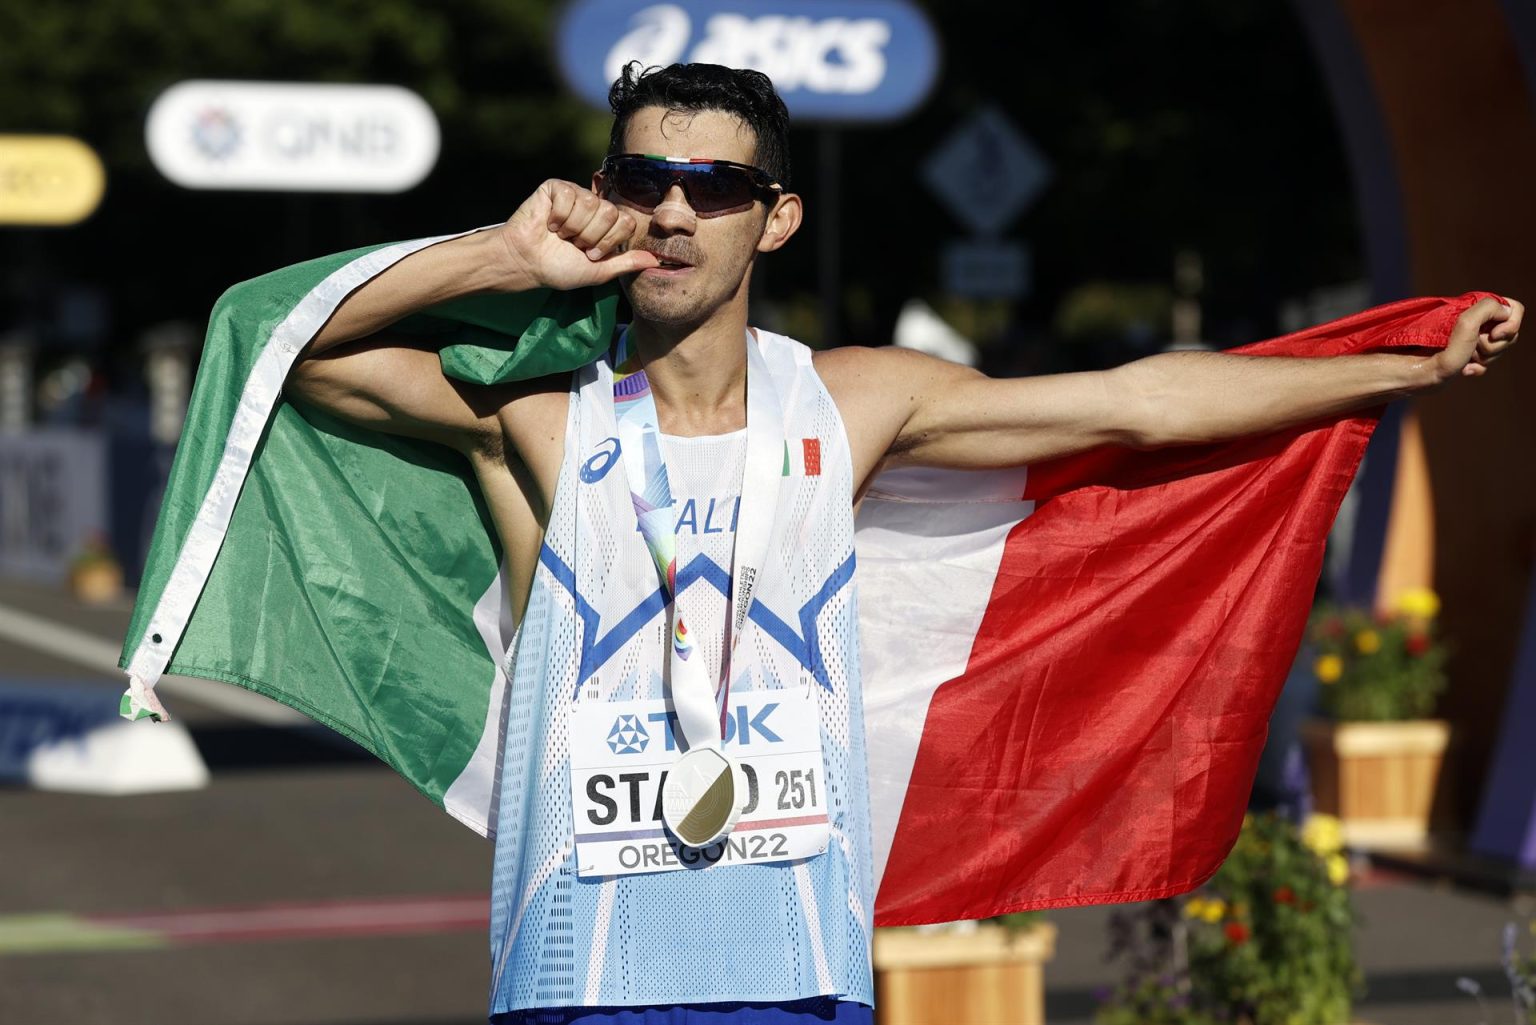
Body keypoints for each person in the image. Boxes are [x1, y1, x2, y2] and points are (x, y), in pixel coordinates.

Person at [282, 63, 1519, 1024]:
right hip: (580, 969)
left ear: (773, 220)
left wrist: (1408, 360)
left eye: (712, 186)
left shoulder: (854, 401)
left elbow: (1136, 401)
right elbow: (294, 351)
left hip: (800, 960)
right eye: (640, 180)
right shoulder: (540, 421)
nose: (671, 211)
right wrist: (504, 253)